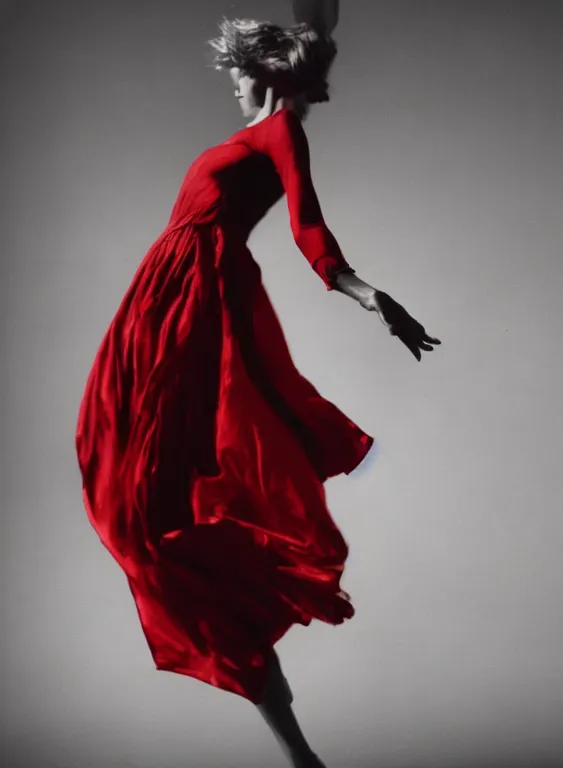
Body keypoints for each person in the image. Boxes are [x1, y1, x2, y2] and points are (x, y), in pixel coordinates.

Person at [74, 13, 440, 768]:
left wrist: (373, 298)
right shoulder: (256, 128)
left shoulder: (279, 133)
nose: (233, 86)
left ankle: (288, 730)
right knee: (112, 474)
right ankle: (285, 724)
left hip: (196, 303)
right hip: (155, 302)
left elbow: (312, 232)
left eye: (242, 73)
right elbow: (317, 16)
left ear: (269, 73)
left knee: (151, 500)